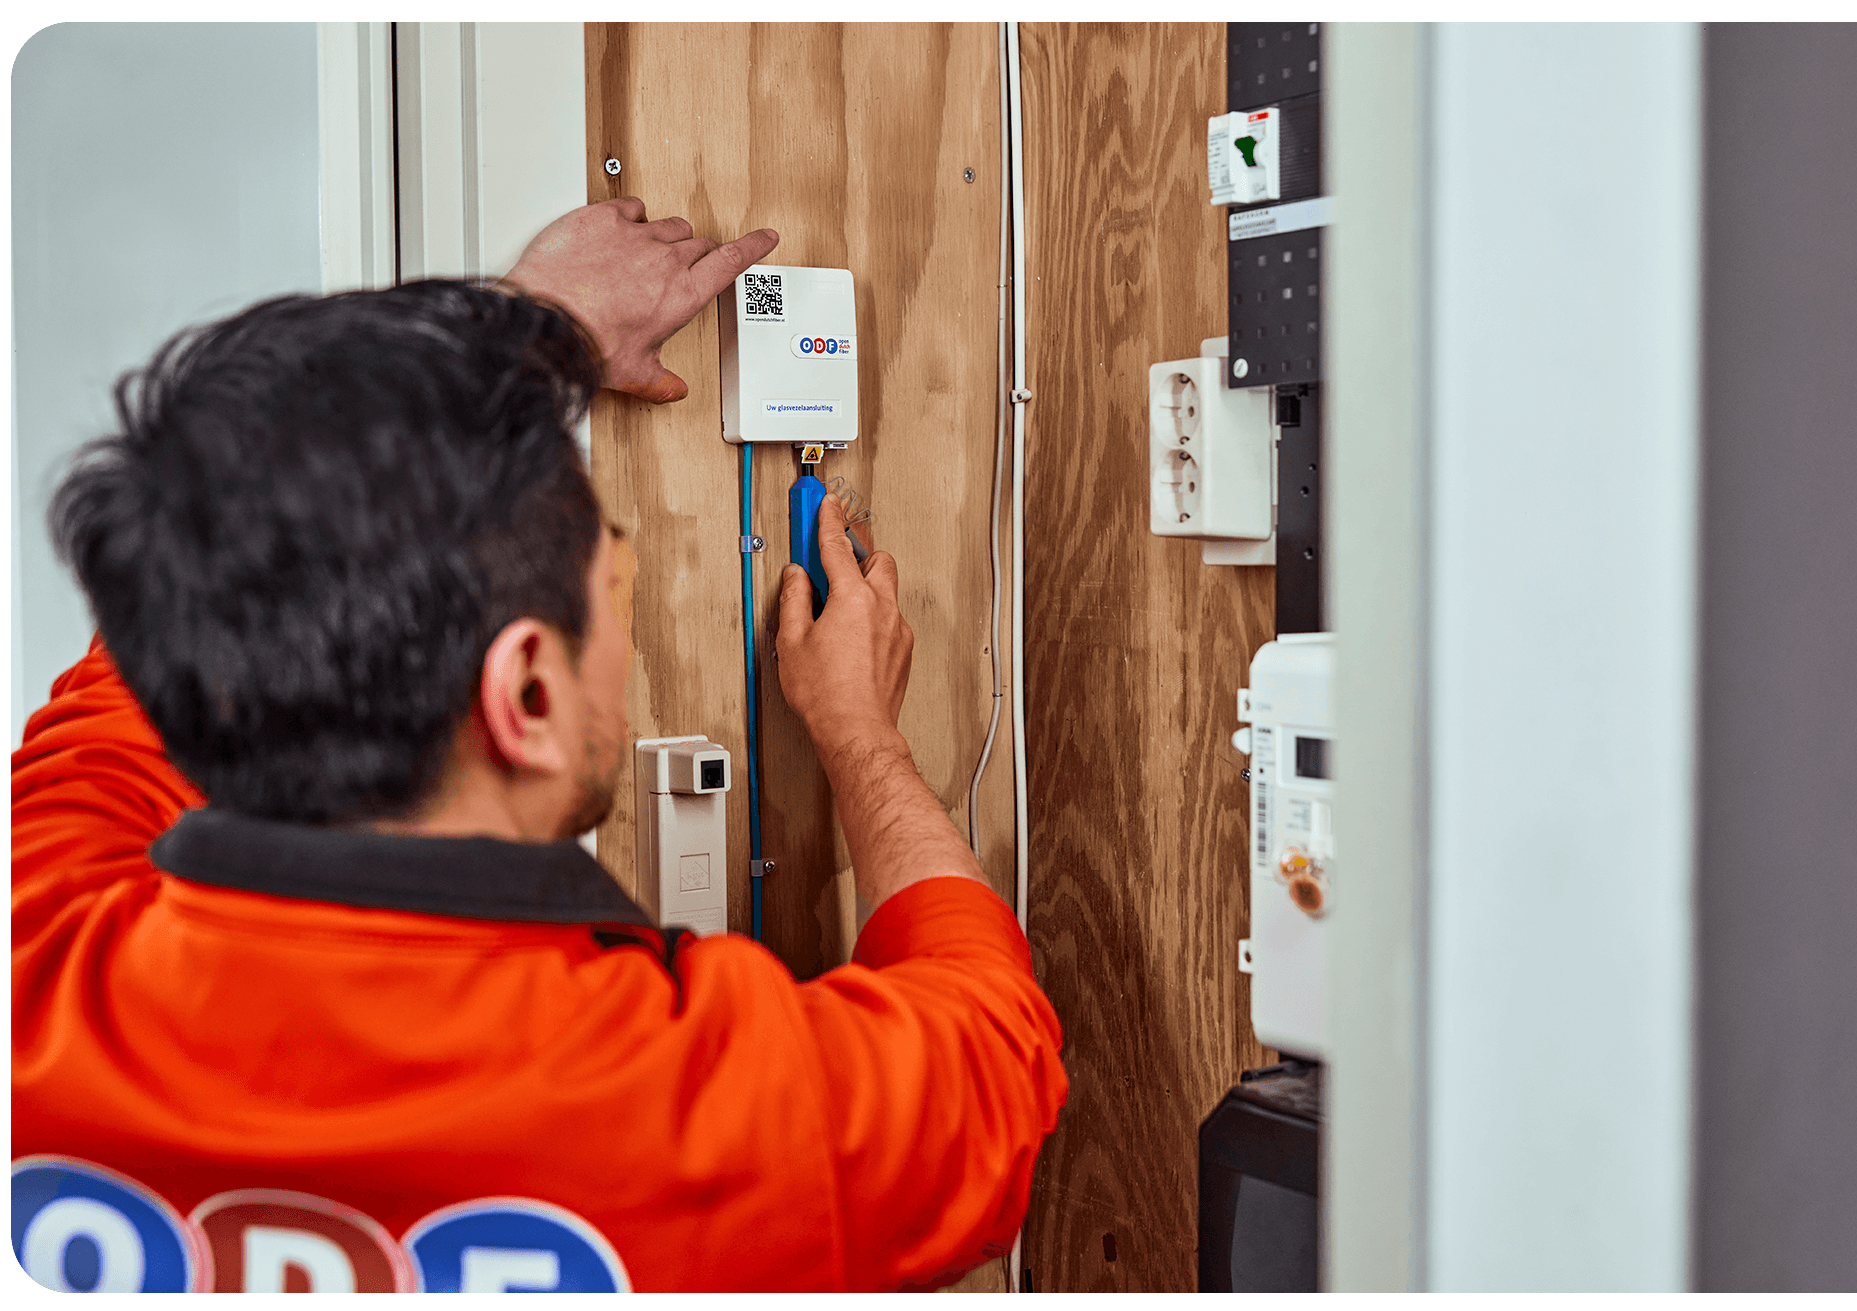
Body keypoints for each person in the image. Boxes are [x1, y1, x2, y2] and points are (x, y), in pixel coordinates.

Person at [10, 198, 1067, 1293]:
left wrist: (527, 336)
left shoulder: (32, 957)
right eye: (615, 587)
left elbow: (225, 576)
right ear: (523, 689)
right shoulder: (716, 1115)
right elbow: (990, 1044)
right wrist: (858, 734)